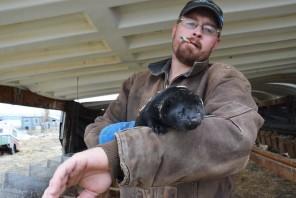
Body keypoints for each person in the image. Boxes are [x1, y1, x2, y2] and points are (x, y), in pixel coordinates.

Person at [42, 0, 264, 197]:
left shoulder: (224, 79)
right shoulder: (136, 83)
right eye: (190, 23)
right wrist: (112, 154)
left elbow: (235, 138)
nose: (197, 32)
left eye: (208, 29)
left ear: (216, 41)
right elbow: (97, 128)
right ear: (174, 29)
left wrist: (121, 153)